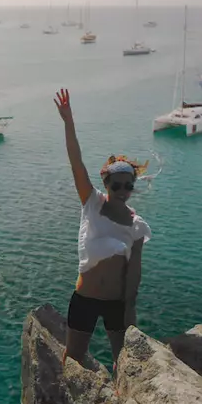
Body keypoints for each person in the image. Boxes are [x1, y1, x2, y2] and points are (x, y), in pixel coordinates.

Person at [53, 88, 151, 366]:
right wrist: (68, 122)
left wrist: (130, 310)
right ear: (105, 183)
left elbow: (134, 273)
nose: (122, 190)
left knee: (124, 362)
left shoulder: (136, 226)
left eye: (128, 185)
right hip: (84, 298)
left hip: (116, 304)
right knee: (72, 359)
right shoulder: (92, 203)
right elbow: (76, 162)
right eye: (116, 185)